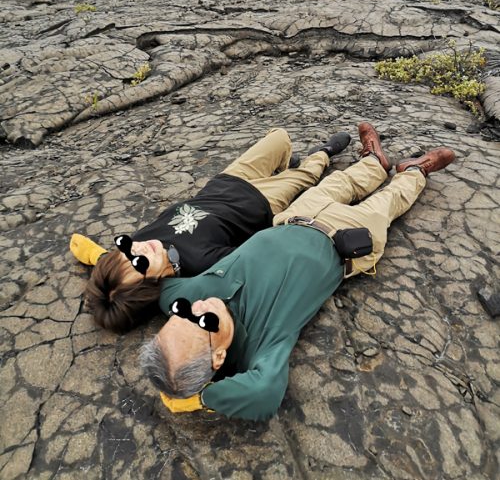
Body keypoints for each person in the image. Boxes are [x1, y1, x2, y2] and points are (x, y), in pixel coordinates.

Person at [140, 122, 455, 421]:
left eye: (181, 316)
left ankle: (374, 161)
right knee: (389, 202)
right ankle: (414, 170)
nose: (198, 307)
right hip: (344, 243)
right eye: (201, 323)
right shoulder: (261, 348)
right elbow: (263, 395)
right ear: (218, 358)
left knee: (339, 182)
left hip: (296, 216)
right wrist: (195, 399)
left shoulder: (190, 299)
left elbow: (163, 288)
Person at [70, 128, 351, 332]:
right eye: (140, 262)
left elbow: (109, 261)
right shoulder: (200, 265)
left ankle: (284, 166)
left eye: (127, 251)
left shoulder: (140, 249)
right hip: (262, 203)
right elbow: (255, 258)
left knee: (280, 137)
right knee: (307, 175)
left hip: (227, 181)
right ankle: (323, 153)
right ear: (152, 286)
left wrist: (96, 256)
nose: (140, 248)